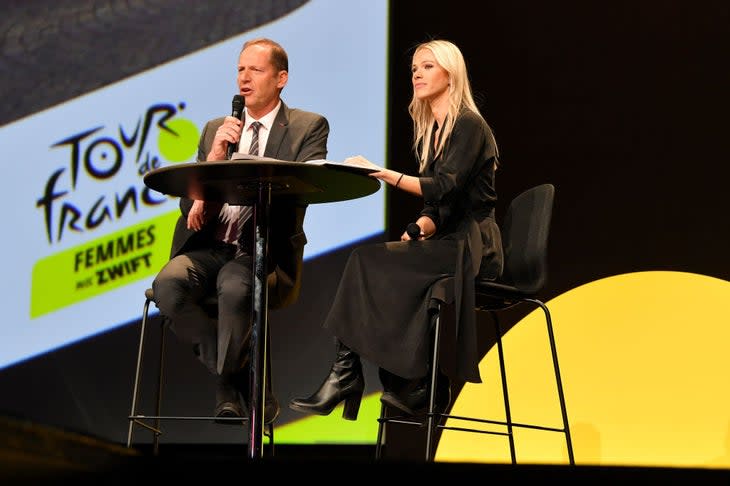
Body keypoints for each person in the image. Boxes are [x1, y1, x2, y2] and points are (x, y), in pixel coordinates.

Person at [288, 39, 503, 420]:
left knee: (370, 262)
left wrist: (384, 173)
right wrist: (420, 226)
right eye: (415, 69)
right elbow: (439, 208)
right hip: (449, 240)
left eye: (427, 67)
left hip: (473, 247)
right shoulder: (436, 130)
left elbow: (443, 187)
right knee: (368, 261)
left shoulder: (468, 124)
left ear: (450, 73)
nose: (417, 74)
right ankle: (385, 379)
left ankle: (387, 379)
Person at [152, 38, 329, 425]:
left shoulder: (306, 127)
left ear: (281, 78)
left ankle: (225, 388)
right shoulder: (217, 128)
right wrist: (215, 159)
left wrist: (257, 173)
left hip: (261, 248)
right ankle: (241, 380)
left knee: (234, 287)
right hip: (211, 244)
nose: (243, 79)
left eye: (255, 70)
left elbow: (306, 190)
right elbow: (190, 211)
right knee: (167, 285)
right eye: (239, 70)